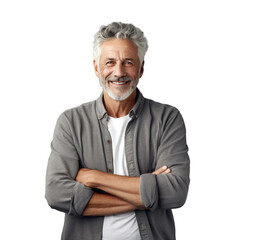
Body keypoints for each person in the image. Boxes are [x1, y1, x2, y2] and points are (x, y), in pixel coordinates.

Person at [45, 22, 190, 240]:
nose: (119, 72)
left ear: (141, 68)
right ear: (96, 68)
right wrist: (148, 194)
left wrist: (94, 178)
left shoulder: (167, 119)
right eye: (110, 62)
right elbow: (57, 194)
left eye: (128, 62)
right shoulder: (71, 122)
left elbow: (175, 192)